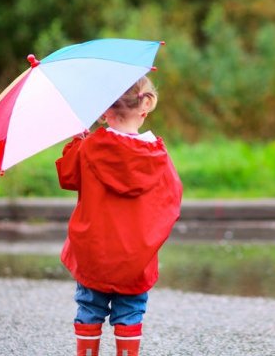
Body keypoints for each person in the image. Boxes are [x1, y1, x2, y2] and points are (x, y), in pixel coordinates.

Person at [55, 75, 183, 356]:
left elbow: (67, 176)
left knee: (89, 309)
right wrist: (146, 241)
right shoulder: (157, 157)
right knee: (130, 313)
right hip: (135, 258)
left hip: (93, 253)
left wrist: (79, 137)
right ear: (144, 108)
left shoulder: (88, 147)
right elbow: (172, 202)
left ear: (103, 112)